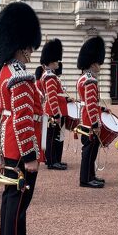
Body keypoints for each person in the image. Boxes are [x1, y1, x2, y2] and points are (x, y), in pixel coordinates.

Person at [0, 2, 49, 235]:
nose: (30, 53)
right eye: (28, 48)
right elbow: (24, 118)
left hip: (8, 141)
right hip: (20, 146)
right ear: (21, 46)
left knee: (10, 196)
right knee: (19, 197)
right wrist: (30, 155)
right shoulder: (21, 76)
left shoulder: (3, 73)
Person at [76, 36, 106, 189]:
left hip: (86, 118)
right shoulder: (90, 80)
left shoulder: (83, 78)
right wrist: (95, 122)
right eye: (98, 63)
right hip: (89, 120)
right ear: (93, 64)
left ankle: (90, 175)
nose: (99, 66)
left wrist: (101, 110)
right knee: (89, 150)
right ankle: (86, 179)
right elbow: (90, 103)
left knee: (91, 149)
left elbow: (90, 103)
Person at [40, 39, 66, 170]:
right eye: (56, 60)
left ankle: (54, 159)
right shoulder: (50, 77)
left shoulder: (51, 75)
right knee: (51, 137)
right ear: (50, 62)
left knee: (55, 136)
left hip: (53, 110)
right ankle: (51, 161)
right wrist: (56, 113)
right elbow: (51, 97)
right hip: (52, 111)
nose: (57, 63)